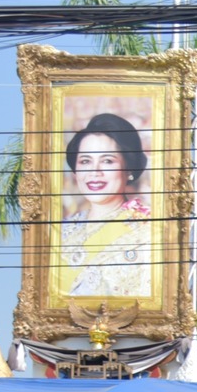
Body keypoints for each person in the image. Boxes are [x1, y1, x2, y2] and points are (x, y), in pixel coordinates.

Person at [57, 113, 150, 298]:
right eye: (85, 161)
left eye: (107, 161)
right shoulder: (60, 230)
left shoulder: (149, 231)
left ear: (129, 168)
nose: (95, 172)